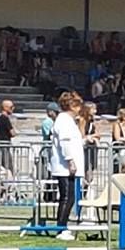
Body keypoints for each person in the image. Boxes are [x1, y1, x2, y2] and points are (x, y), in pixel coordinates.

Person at [50, 91, 85, 240]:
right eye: (77, 105)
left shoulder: (69, 121)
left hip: (68, 165)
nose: (79, 109)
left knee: (69, 197)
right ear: (71, 106)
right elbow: (65, 142)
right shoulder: (63, 120)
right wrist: (70, 160)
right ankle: (61, 228)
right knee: (66, 197)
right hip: (65, 166)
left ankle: (63, 226)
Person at [79, 101, 100, 184]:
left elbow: (98, 134)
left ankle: (86, 191)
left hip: (91, 148)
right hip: (84, 148)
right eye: (93, 109)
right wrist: (90, 137)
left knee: (91, 171)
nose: (95, 111)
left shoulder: (93, 121)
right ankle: (82, 192)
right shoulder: (82, 120)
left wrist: (92, 137)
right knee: (86, 170)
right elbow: (82, 135)